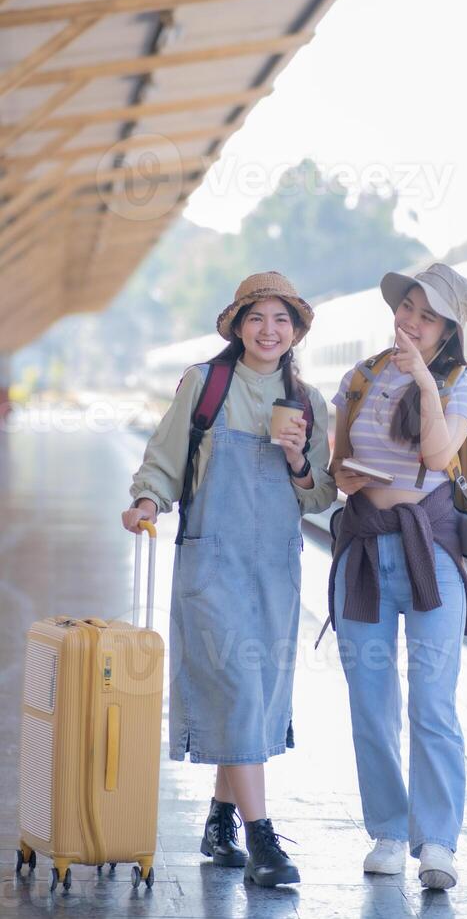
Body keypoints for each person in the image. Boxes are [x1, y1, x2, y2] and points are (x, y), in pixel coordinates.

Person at [121, 272, 336, 888]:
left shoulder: (309, 401)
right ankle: (262, 839)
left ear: (295, 332)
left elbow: (320, 494)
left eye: (282, 321)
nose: (269, 331)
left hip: (274, 566)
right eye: (257, 318)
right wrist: (146, 502)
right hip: (211, 563)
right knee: (242, 690)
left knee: (257, 696)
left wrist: (296, 458)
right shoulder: (206, 384)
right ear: (238, 325)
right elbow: (164, 459)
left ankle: (220, 821)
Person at [328, 262, 467, 891]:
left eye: (426, 315)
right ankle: (388, 832)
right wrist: (347, 476)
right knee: (371, 703)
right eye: (407, 307)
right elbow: (336, 465)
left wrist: (420, 376)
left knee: (433, 702)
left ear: (448, 328)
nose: (410, 321)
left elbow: (440, 456)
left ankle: (437, 843)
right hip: (364, 551)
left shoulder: (463, 383)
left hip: (432, 554)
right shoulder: (359, 377)